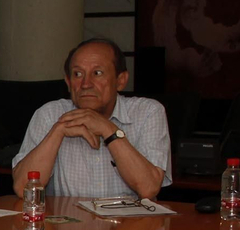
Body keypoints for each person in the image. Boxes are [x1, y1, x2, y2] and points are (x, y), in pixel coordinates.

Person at [11, 38, 171, 199]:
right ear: (68, 82)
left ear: (121, 80)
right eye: (78, 74)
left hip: (130, 222)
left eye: (97, 73)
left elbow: (149, 188)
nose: (86, 84)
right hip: (68, 222)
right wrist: (57, 132)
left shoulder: (148, 112)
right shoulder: (49, 114)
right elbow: (22, 188)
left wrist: (108, 129)